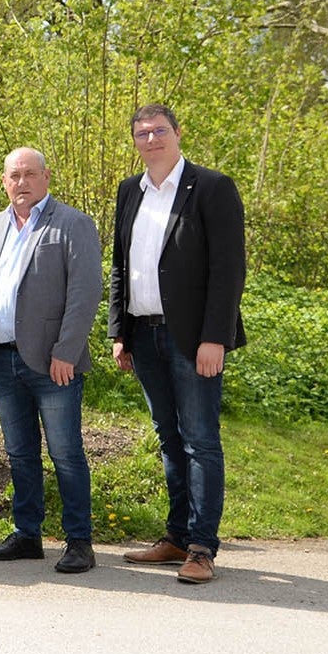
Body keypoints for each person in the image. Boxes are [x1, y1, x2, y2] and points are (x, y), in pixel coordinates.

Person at [110, 104, 246, 585]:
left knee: (200, 440)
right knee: (169, 438)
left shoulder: (211, 188)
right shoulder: (130, 192)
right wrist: (118, 331)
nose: (151, 140)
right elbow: (120, 268)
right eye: (142, 133)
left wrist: (216, 337)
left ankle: (202, 548)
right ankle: (175, 536)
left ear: (177, 133)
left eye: (159, 131)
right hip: (143, 335)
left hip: (193, 339)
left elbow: (229, 271)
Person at [0, 148, 102, 575]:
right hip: (2, 359)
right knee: (20, 453)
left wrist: (67, 350)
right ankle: (27, 535)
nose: (21, 182)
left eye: (29, 174)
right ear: (4, 181)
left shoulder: (73, 224)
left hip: (53, 362)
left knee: (66, 453)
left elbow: (85, 292)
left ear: (46, 177)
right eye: (13, 175)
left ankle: (79, 541)